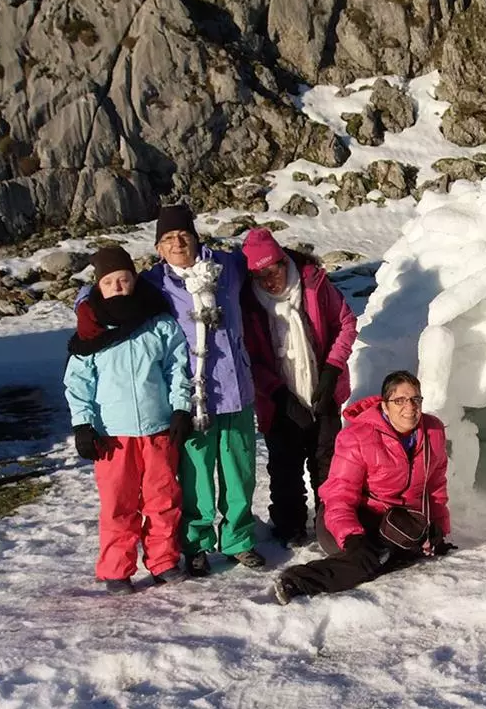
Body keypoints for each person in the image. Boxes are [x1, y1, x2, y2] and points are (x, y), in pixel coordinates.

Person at [143, 204, 265, 574]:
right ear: (159, 249)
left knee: (240, 472)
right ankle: (195, 543)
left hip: (237, 389)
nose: (178, 243)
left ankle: (238, 539)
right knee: (196, 475)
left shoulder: (226, 267)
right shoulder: (155, 283)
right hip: (192, 396)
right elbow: (103, 292)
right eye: (168, 239)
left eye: (184, 236)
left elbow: (264, 257)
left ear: (196, 238)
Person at [64, 246, 193, 594]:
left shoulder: (159, 323)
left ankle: (164, 560)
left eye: (124, 280)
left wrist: (181, 408)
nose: (119, 288)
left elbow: (177, 369)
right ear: (99, 288)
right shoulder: (91, 333)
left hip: (157, 430)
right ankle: (116, 569)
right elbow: (78, 383)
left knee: (163, 500)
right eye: (110, 283)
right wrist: (83, 425)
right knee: (118, 505)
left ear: (133, 281)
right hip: (112, 436)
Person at [273, 371, 453, 605]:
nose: (409, 407)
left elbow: (436, 484)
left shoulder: (433, 432)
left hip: (393, 521)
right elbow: (339, 495)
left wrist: (439, 527)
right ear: (385, 405)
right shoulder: (358, 436)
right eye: (399, 400)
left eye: (415, 399)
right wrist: (351, 536)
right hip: (345, 516)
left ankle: (381, 553)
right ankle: (297, 580)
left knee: (410, 550)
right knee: (365, 559)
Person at [240, 228, 358, 548]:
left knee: (327, 461)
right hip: (278, 399)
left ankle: (331, 520)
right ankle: (289, 526)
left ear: (283, 260)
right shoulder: (248, 304)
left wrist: (332, 370)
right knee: (285, 465)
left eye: (273, 270)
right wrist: (278, 394)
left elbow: (346, 323)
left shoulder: (313, 283)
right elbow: (249, 356)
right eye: (259, 275)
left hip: (322, 392)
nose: (269, 280)